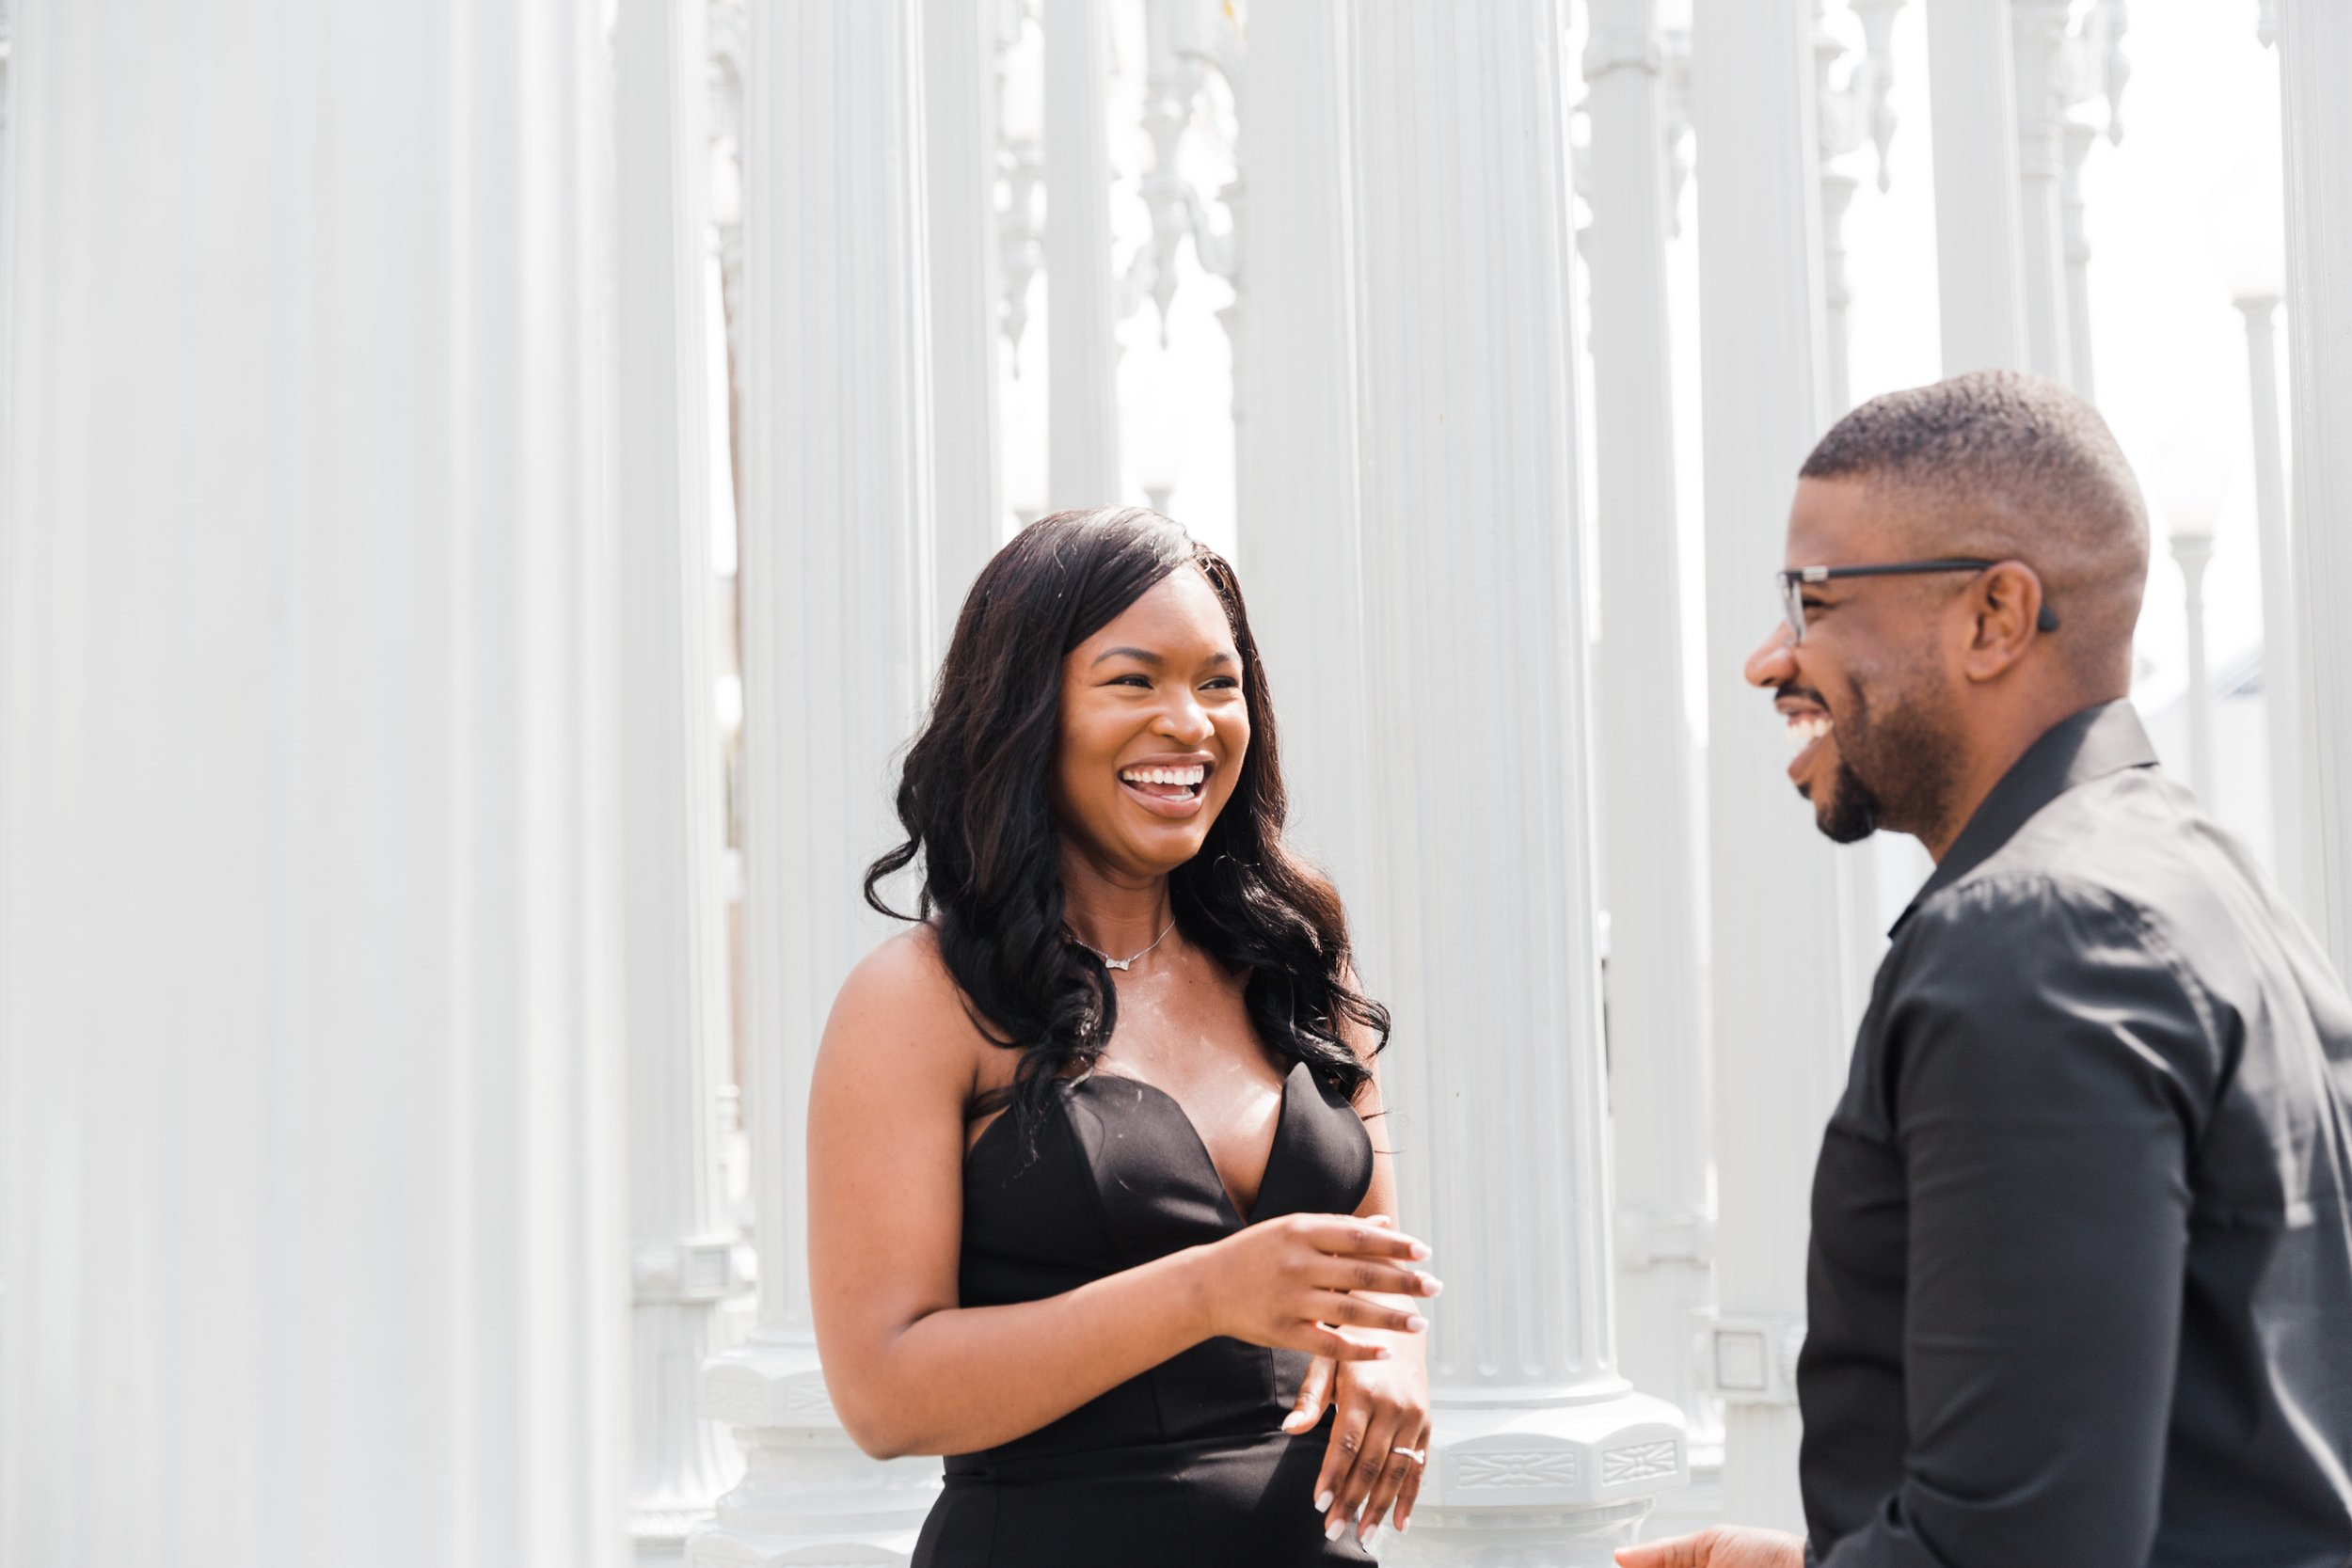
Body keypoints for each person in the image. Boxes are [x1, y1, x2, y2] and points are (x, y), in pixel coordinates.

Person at [1623, 372, 2352, 1568]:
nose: (1769, 659)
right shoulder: (2205, 881)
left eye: (1812, 600)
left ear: (1993, 617)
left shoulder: (2034, 940)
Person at [806, 508, 1441, 1566]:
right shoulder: (917, 1000)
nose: (1188, 722)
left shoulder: (1296, 955)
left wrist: (1393, 1358)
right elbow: (883, 1392)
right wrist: (1204, 1292)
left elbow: (1373, 1279)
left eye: (1219, 681)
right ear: (1025, 711)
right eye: (1133, 680)